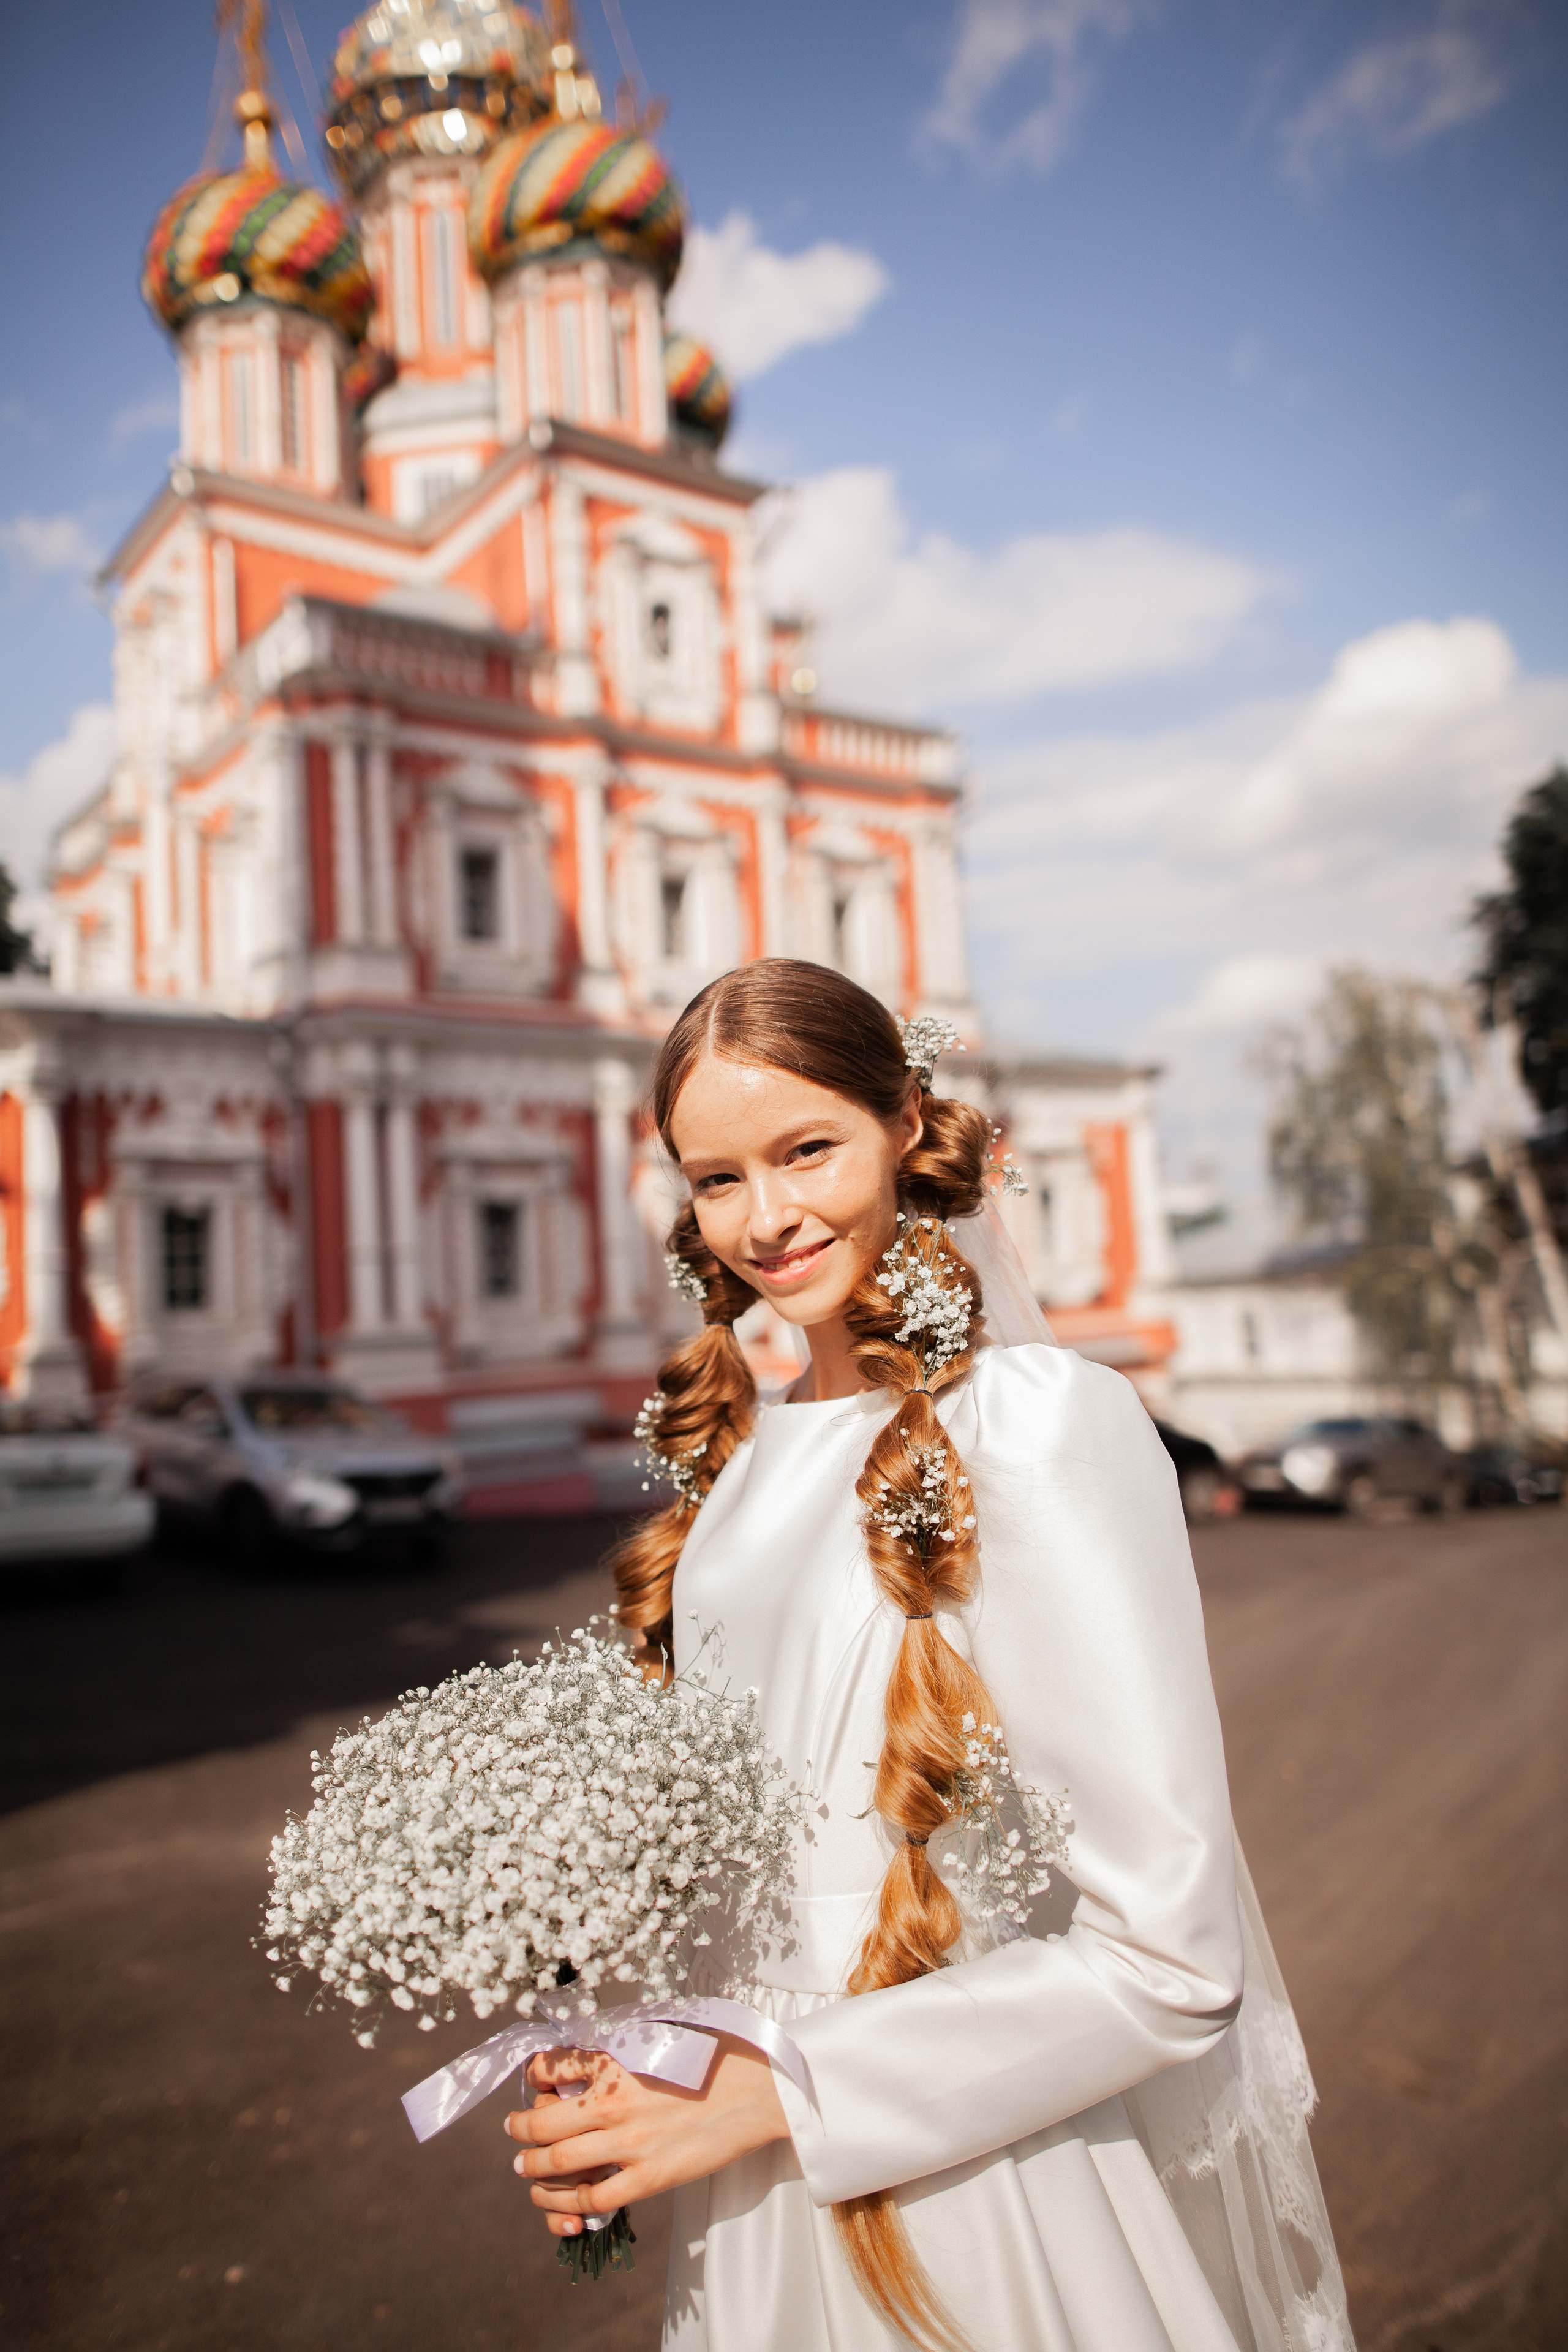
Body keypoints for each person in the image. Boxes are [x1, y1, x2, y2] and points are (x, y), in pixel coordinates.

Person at [504, 960, 1352, 2352]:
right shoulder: (737, 1467)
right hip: (747, 2206)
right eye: (716, 1180)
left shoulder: (1031, 1426)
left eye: (806, 1151)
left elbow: (1169, 1958)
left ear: (905, 1124)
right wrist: (629, 2068)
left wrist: (779, 2091)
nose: (765, 1219)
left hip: (969, 2190)